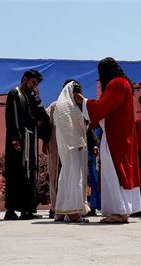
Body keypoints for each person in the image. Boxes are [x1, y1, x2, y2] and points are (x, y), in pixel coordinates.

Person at [74, 57, 141, 223]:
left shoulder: (117, 84)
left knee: (115, 173)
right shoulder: (124, 84)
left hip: (115, 138)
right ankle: (118, 210)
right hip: (116, 135)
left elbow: (102, 107)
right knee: (113, 173)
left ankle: (120, 212)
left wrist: (83, 102)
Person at [4, 70, 51, 220]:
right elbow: (13, 118)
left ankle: (27, 210)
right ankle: (10, 210)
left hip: (30, 141)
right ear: (25, 79)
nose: (34, 86)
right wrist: (15, 138)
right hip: (18, 142)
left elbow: (39, 117)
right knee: (15, 174)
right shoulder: (14, 94)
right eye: (33, 83)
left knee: (29, 174)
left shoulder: (30, 97)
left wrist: (37, 98)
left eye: (36, 84)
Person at [53, 80, 89, 223]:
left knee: (66, 177)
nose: (80, 94)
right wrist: (77, 143)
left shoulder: (61, 105)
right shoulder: (67, 106)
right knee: (75, 178)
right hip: (73, 147)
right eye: (77, 91)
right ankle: (73, 213)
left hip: (68, 148)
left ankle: (61, 212)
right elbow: (68, 129)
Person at [46, 101, 61, 219]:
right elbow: (45, 123)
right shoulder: (54, 106)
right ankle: (55, 207)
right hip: (54, 144)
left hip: (66, 145)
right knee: (54, 175)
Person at [87, 127, 101, 215]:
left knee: (97, 180)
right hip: (91, 152)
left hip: (98, 151)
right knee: (93, 181)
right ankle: (93, 205)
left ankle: (98, 204)